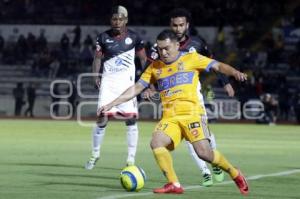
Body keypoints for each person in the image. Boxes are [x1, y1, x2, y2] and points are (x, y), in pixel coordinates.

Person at [99, 30, 249, 195]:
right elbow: (136, 87)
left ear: (177, 45)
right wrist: (111, 104)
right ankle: (174, 183)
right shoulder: (155, 67)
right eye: (160, 49)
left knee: (204, 153)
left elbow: (218, 65)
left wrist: (235, 73)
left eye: (167, 48)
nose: (163, 52)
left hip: (192, 113)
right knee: (156, 142)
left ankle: (235, 173)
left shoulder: (191, 58)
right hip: (170, 117)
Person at [144, 8, 234, 186]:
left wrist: (226, 82)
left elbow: (213, 63)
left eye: (181, 25)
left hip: (193, 93)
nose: (178, 29)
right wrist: (150, 87)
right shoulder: (161, 47)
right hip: (171, 95)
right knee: (187, 137)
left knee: (202, 135)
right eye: (174, 25)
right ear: (171, 25)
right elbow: (151, 70)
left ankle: (213, 159)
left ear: (187, 25)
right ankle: (204, 171)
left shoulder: (197, 44)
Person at [85, 5, 147, 169]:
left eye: (120, 19)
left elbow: (143, 59)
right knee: (102, 119)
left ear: (125, 20)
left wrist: (146, 80)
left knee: (131, 119)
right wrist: (95, 75)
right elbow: (97, 59)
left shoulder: (134, 38)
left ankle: (130, 159)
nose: (117, 22)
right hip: (108, 85)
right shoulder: (103, 37)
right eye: (114, 19)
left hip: (127, 85)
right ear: (110, 20)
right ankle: (95, 154)